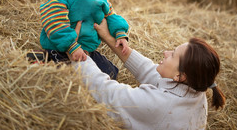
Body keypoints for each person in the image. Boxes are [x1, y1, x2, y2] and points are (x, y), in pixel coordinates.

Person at [72, 19, 226, 130]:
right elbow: (146, 69)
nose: (166, 52)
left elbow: (107, 94)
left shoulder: (161, 106)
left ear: (180, 76)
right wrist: (109, 38)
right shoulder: (195, 90)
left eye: (172, 55)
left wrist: (74, 50)